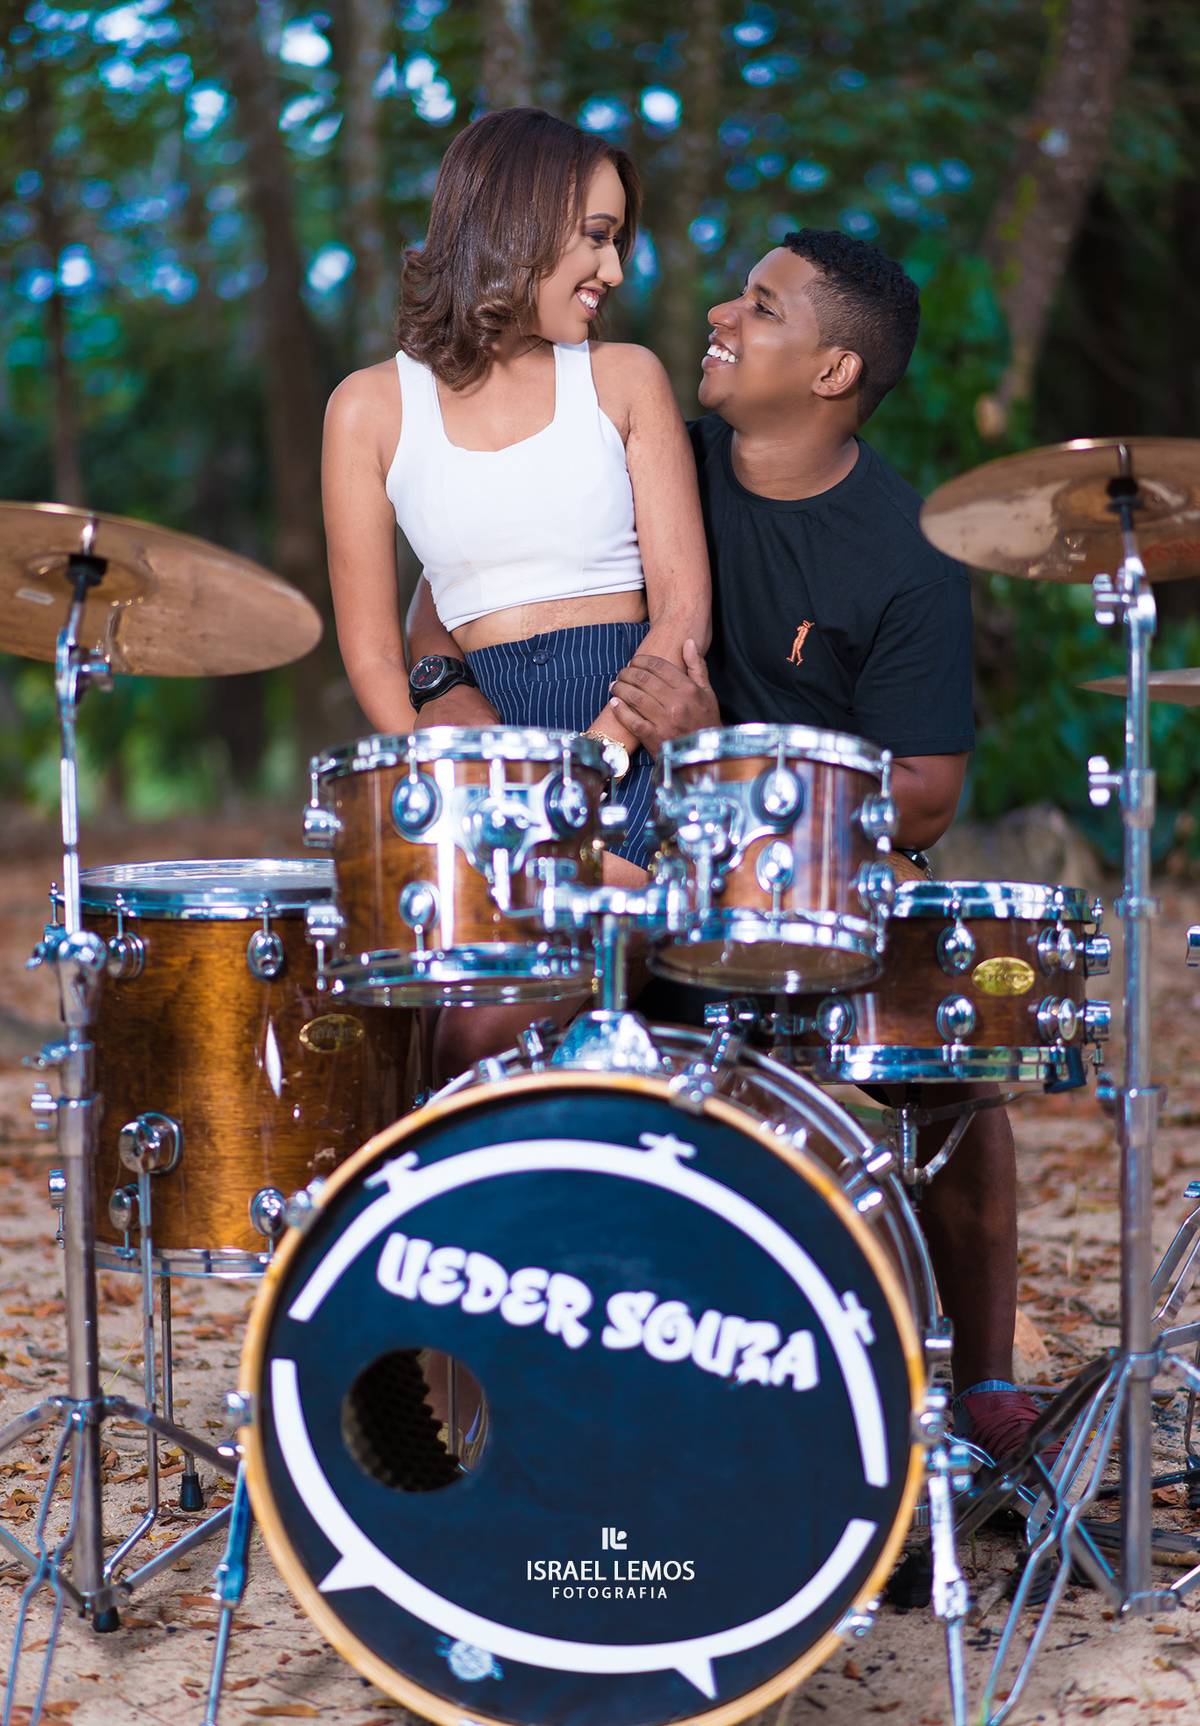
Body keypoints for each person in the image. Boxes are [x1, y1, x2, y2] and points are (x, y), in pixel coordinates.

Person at [604, 229, 1037, 1468]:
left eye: (761, 306)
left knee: (956, 1063)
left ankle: (988, 1386)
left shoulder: (906, 547)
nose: (720, 317)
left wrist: (721, 741)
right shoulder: (663, 461)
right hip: (641, 868)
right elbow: (484, 580)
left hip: (821, 889)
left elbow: (925, 798)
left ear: (835, 370)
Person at [323, 107, 710, 1085]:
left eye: (617, 241)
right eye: (597, 238)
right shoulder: (368, 408)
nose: (614, 272)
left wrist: (598, 762)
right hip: (475, 774)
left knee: (490, 1028)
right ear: (518, 224)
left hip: (626, 754)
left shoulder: (625, 380)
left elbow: (682, 612)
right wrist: (458, 785)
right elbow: (372, 653)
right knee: (420, 1028)